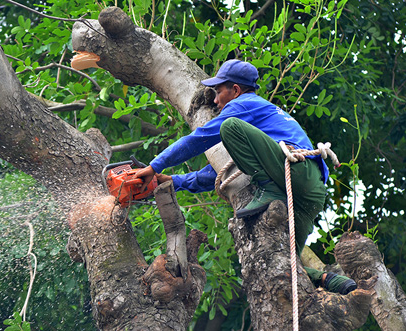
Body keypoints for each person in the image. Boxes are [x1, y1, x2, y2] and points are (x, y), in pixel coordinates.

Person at [135, 59, 356, 295]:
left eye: (218, 92)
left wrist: (153, 165)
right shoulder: (261, 121)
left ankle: (268, 188)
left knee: (228, 126)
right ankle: (328, 280)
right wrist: (174, 182)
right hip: (312, 193)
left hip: (294, 169)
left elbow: (200, 138)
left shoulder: (244, 104)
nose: (216, 101)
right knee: (284, 263)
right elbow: (219, 173)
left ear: (236, 90)